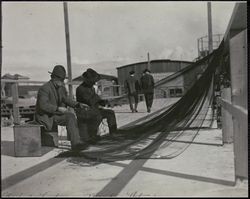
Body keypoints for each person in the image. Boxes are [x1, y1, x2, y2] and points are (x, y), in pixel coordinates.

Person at [35, 65, 89, 151]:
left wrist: (78, 104)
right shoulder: (44, 88)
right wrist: (58, 109)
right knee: (69, 117)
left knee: (70, 116)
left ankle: (76, 143)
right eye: (60, 79)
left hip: (54, 115)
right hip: (46, 117)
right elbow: (43, 105)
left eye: (63, 79)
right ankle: (76, 144)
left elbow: (66, 99)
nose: (62, 81)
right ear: (52, 77)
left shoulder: (61, 88)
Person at [76, 68, 118, 144]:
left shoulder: (91, 88)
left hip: (93, 110)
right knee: (97, 115)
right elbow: (90, 101)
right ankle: (92, 135)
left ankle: (113, 133)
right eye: (92, 82)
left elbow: (96, 99)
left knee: (110, 113)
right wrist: (98, 100)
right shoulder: (80, 89)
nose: (94, 83)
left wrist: (105, 102)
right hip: (84, 112)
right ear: (87, 80)